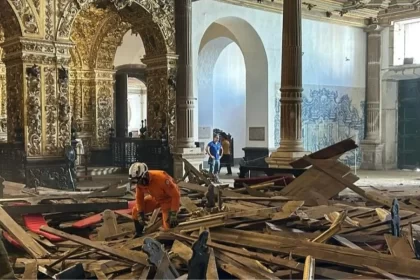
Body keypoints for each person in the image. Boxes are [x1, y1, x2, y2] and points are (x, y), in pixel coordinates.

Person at [129, 162, 180, 237]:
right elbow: (139, 198)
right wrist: (141, 212)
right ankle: (139, 233)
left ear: (145, 175)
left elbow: (175, 195)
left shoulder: (162, 178)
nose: (139, 184)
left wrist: (173, 213)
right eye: (137, 182)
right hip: (156, 198)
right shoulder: (139, 183)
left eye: (140, 181)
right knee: (135, 211)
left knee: (168, 227)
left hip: (168, 200)